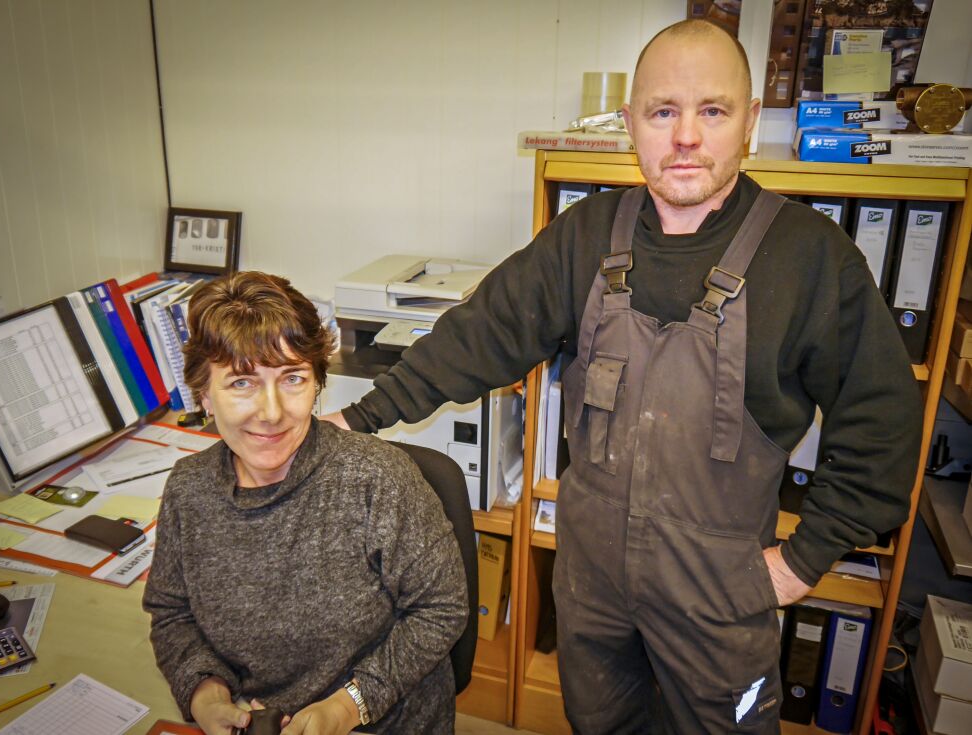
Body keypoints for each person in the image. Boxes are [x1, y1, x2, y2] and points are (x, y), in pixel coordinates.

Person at [322, 19, 922, 734]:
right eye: (664, 111)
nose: (687, 137)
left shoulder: (811, 259)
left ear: (750, 123)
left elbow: (883, 429)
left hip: (719, 601)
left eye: (713, 111)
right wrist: (358, 419)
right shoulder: (584, 237)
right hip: (593, 588)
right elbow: (482, 334)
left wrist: (800, 562)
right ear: (632, 122)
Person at [143, 271, 468, 735]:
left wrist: (347, 707)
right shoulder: (188, 490)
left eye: (292, 378)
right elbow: (172, 613)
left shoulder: (378, 480)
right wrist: (204, 692)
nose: (272, 412)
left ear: (317, 384)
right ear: (203, 395)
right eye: (241, 383)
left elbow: (442, 608)